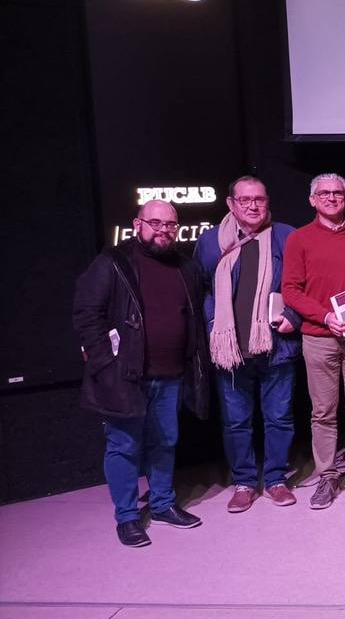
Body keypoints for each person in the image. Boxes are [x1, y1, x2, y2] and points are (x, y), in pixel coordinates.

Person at [73, 200, 211, 547]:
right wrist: (105, 363)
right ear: (138, 224)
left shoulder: (186, 266)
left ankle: (163, 504)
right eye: (156, 223)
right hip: (126, 375)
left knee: (165, 441)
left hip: (172, 374)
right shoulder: (113, 262)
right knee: (124, 446)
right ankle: (128, 517)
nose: (164, 230)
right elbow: (87, 314)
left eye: (170, 225)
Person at [195, 176, 303, 514]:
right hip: (230, 350)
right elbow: (202, 288)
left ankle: (275, 479)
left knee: (279, 417)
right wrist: (214, 324)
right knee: (236, 421)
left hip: (277, 347)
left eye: (259, 199)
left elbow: (304, 285)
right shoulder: (211, 241)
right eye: (245, 200)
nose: (253, 205)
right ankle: (243, 482)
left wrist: (294, 317)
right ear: (231, 204)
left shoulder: (287, 236)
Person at [282, 173, 345, 508]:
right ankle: (326, 476)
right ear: (312, 200)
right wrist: (325, 316)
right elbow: (290, 290)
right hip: (319, 337)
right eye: (323, 193)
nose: (331, 198)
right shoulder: (299, 239)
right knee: (323, 411)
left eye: (337, 193)